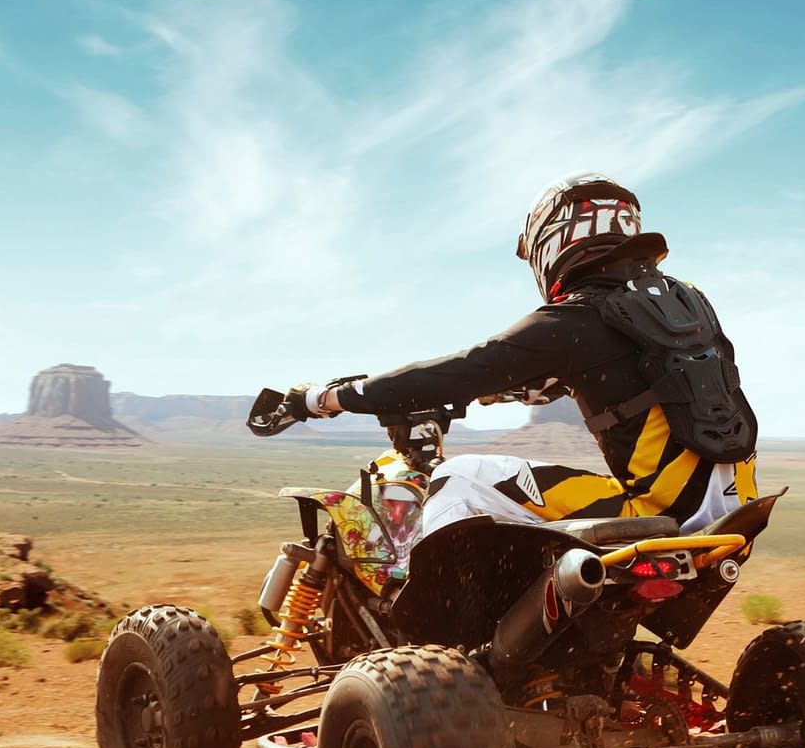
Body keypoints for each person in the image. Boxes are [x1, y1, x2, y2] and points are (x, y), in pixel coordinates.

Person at [281, 171, 759, 542]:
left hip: (658, 515)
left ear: (556, 238)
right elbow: (618, 374)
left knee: (457, 478)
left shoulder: (573, 320)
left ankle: (443, 628)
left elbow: (461, 370)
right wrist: (509, 391)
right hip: (737, 514)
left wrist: (327, 398)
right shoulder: (684, 303)